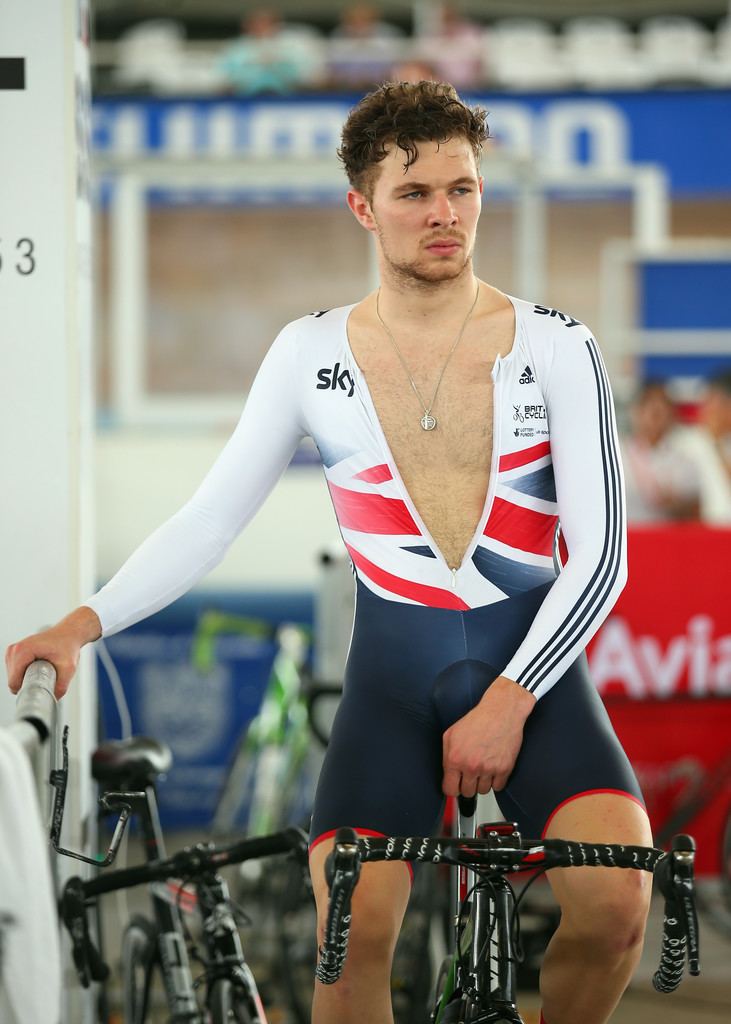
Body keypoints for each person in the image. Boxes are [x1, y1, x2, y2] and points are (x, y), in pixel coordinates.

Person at [6, 82, 651, 1024]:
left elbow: (603, 556)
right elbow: (208, 520)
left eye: (463, 190)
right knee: (349, 948)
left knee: (618, 905)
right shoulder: (306, 353)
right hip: (390, 687)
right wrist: (81, 623)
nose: (445, 215)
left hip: (533, 681)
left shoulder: (557, 344)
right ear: (361, 206)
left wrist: (509, 703)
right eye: (415, 193)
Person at [621, 379, 701, 522]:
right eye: (648, 405)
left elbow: (695, 509)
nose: (655, 411)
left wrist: (677, 504)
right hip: (628, 537)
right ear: (635, 412)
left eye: (661, 407)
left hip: (666, 539)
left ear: (672, 415)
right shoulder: (618, 455)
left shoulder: (684, 460)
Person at [674, 368, 731, 524]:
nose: (711, 410)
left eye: (720, 403)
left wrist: (717, 443)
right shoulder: (689, 439)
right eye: (708, 401)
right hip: (708, 533)